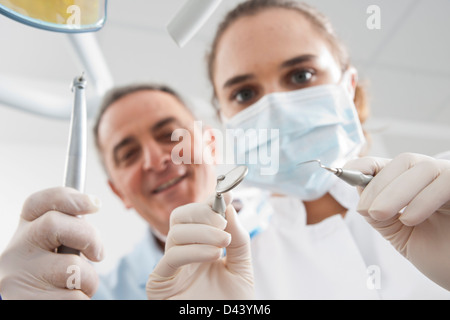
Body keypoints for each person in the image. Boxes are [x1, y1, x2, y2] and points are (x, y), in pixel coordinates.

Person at [194, 0, 450, 298]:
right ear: (224, 120)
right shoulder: (232, 270)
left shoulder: (444, 194)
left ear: (348, 85)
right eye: (245, 93)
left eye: (301, 75)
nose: (280, 111)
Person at [0, 84, 257, 300]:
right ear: (118, 192)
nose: (154, 161)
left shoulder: (290, 218)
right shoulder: (100, 293)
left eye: (170, 135)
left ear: (211, 147)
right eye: (128, 154)